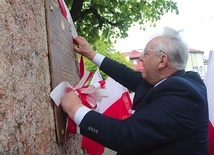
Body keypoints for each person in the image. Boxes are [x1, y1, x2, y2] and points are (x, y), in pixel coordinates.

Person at [61, 27, 208, 154]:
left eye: (146, 53)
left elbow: (126, 136)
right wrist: (91, 54)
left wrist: (75, 109)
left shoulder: (183, 96)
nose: (141, 58)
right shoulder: (163, 79)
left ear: (162, 61)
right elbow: (123, 73)